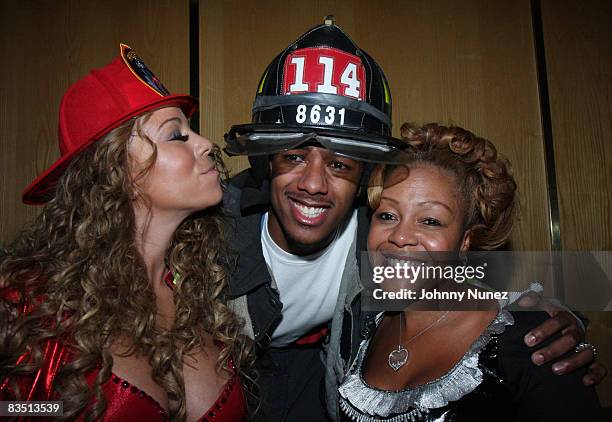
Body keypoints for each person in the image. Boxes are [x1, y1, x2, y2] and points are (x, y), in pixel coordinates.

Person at [222, 18, 605, 421]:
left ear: (363, 176)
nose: (314, 183)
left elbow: (454, 277)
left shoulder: (372, 230)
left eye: (339, 163)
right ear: (267, 159)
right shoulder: (210, 231)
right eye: (294, 156)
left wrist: (556, 321)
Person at [0, 45, 249, 421]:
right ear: (118, 170)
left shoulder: (199, 289)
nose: (206, 144)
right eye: (176, 135)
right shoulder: (30, 302)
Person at [337, 123, 604, 421]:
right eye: (387, 215)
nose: (400, 236)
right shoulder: (362, 323)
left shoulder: (531, 340)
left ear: (466, 241)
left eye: (430, 221)